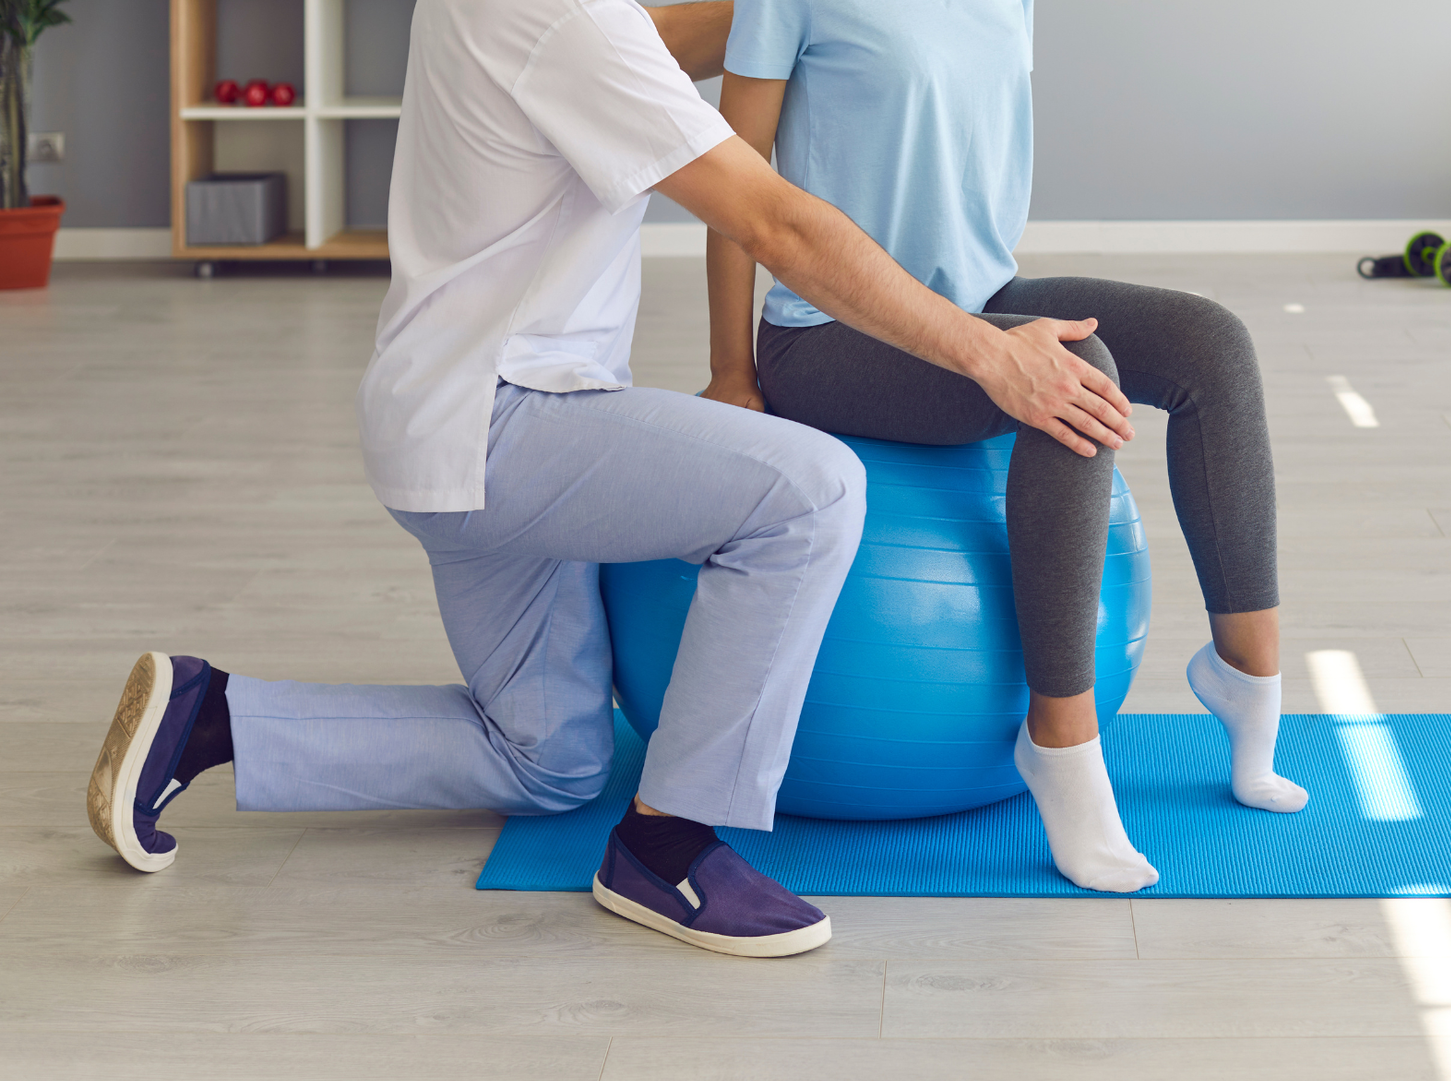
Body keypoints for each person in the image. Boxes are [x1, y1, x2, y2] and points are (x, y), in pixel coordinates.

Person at [86, 0, 1135, 958]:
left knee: (550, 761)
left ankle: (215, 715)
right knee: (809, 490)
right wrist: (986, 353)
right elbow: (775, 222)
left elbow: (675, 40)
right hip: (510, 424)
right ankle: (667, 846)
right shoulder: (565, 17)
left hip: (448, 422)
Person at [703, 0, 1306, 894]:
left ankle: (1246, 675)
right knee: (1073, 373)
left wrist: (989, 324)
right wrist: (732, 370)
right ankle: (1059, 742)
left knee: (1210, 344)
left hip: (979, 302)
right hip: (827, 334)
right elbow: (733, 182)